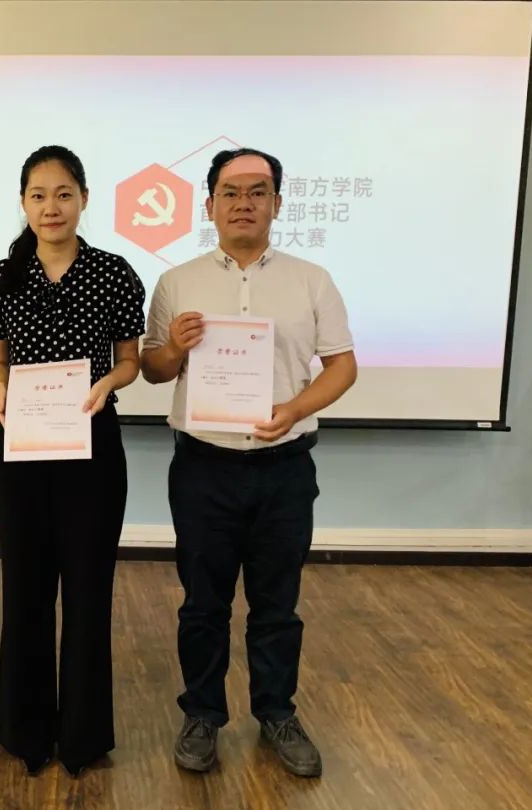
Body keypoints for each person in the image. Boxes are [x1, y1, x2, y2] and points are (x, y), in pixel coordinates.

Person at [140, 148, 357, 778]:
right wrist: (174, 349)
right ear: (209, 205)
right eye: (231, 192)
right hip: (203, 468)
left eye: (258, 192)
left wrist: (294, 409)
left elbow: (342, 366)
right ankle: (203, 714)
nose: (244, 203)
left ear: (277, 204)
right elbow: (153, 370)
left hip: (283, 468)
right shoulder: (177, 281)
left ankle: (277, 713)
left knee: (277, 605)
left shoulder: (311, 279)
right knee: (202, 604)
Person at [0, 145, 146, 777]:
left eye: (64, 194)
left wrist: (109, 384)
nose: (52, 207)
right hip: (22, 448)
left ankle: (81, 736)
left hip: (92, 447)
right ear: (23, 202)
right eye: (39, 195)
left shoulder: (113, 272)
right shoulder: (4, 275)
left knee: (87, 589)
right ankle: (25, 731)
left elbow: (129, 359)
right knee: (24, 588)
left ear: (84, 199)